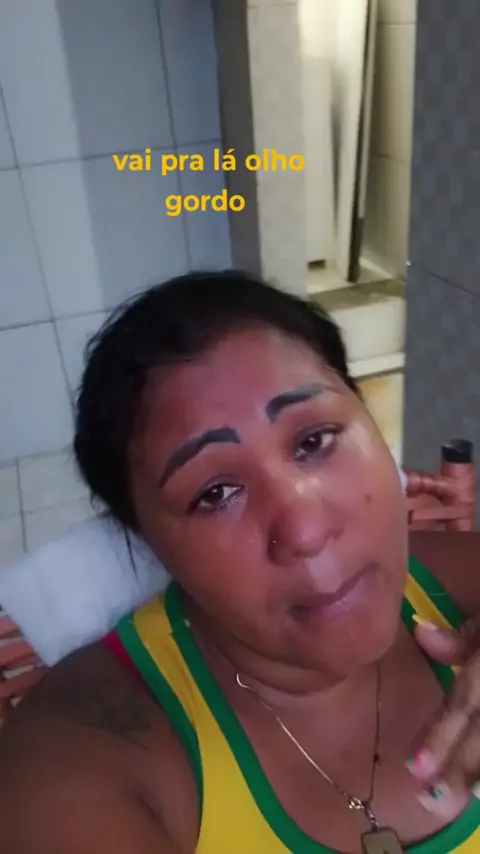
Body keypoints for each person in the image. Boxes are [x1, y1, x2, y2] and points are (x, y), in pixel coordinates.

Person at [1, 270, 479, 854]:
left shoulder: (451, 584)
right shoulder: (86, 751)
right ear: (148, 541)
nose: (305, 530)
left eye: (315, 441)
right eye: (215, 493)